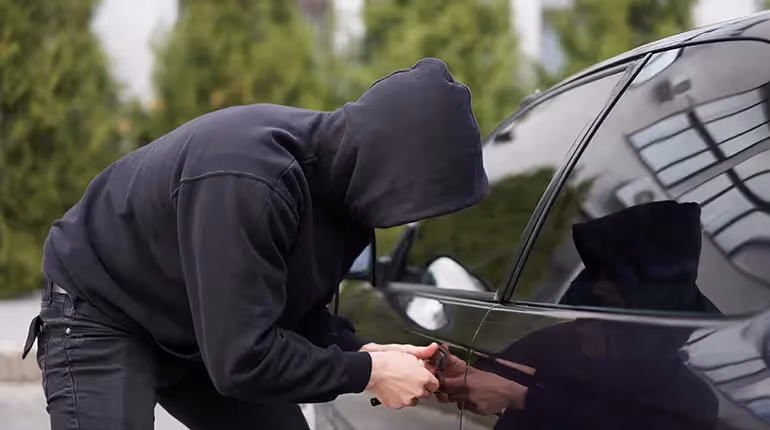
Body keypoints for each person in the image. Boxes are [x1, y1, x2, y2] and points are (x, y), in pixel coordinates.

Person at [23, 58, 488, 429]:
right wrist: (369, 375)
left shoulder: (345, 196)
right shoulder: (249, 180)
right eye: (424, 197)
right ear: (395, 166)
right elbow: (243, 361)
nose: (420, 214)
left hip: (213, 324)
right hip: (107, 312)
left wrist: (367, 352)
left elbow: (287, 317)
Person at [438, 201, 719, 430]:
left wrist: (522, 397)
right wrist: (466, 374)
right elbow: (505, 366)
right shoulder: (564, 340)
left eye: (614, 281)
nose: (583, 322)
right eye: (597, 277)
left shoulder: (690, 401)